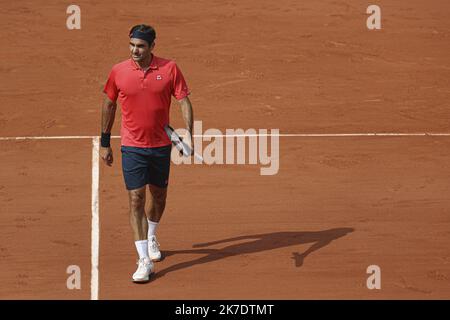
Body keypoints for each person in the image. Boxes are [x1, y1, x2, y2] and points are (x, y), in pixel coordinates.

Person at [100, 24, 194, 282]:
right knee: (136, 199)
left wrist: (188, 133)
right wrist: (105, 142)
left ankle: (151, 234)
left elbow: (184, 100)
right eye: (132, 45)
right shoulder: (118, 71)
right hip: (132, 146)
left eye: (140, 46)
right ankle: (143, 260)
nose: (135, 50)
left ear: (152, 47)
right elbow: (109, 104)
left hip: (161, 145)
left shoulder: (169, 68)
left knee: (159, 197)